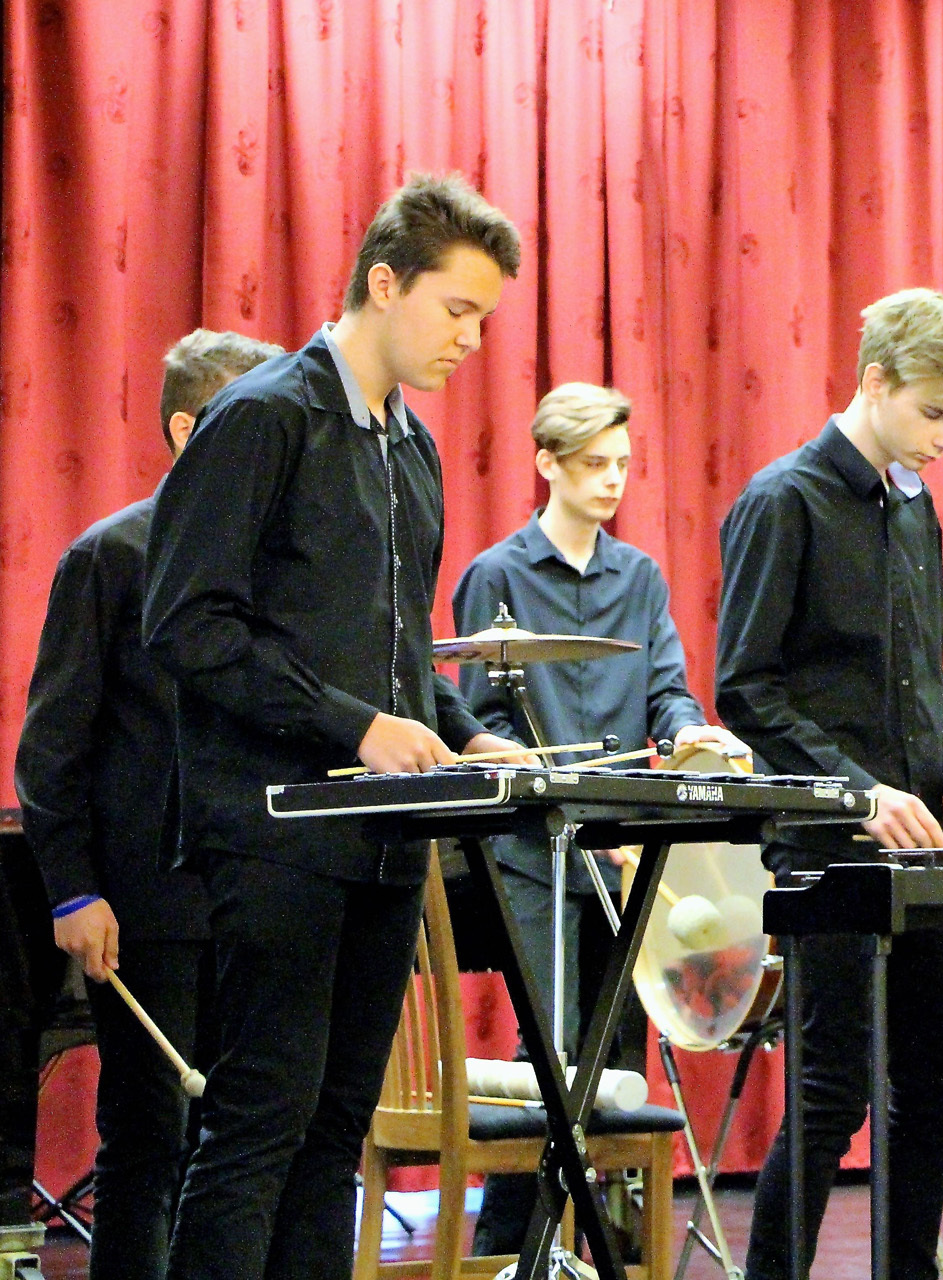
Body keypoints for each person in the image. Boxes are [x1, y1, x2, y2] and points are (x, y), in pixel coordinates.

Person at [141, 174, 526, 1280]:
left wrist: (466, 732)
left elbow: (397, 649)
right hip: (274, 833)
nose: (471, 339)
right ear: (384, 283)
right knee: (260, 1120)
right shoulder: (262, 415)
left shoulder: (412, 447)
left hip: (384, 842)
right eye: (457, 309)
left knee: (338, 1128)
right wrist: (353, 726)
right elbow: (186, 623)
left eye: (484, 319)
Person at [716, 288, 943, 1280]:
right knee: (830, 1091)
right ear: (875, 381)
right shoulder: (783, 500)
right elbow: (745, 689)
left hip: (916, 843)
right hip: (826, 845)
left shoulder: (914, 508)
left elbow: (924, 675)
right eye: (935, 414)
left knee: (934, 1080)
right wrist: (858, 794)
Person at [452, 381, 745, 1254]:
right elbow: (481, 720)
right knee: (553, 1055)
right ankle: (511, 1252)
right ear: (547, 464)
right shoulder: (497, 575)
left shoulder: (640, 576)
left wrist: (689, 731)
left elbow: (667, 692)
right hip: (533, 850)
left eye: (621, 463)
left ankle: (611, 1248)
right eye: (592, 464)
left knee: (618, 1056)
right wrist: (538, 772)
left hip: (621, 845)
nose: (612, 480)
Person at [15, 329, 282, 1280]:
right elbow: (52, 748)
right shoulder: (110, 556)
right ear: (186, 429)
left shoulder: (281, 568)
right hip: (146, 905)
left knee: (250, 1139)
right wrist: (72, 889)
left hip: (261, 895)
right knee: (147, 1138)